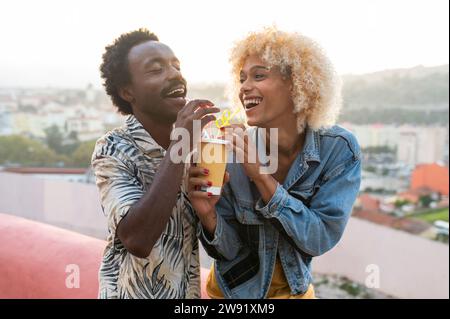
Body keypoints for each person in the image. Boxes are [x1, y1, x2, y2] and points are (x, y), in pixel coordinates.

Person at [187, 27, 362, 299]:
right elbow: (227, 252)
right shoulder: (229, 150)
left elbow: (319, 238)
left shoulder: (338, 150)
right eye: (242, 78)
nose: (244, 86)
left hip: (296, 293)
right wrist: (207, 214)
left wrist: (262, 177)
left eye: (259, 75)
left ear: (297, 83)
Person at [91, 28, 219, 299]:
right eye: (155, 70)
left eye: (176, 65)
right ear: (128, 92)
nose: (174, 74)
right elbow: (137, 239)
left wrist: (210, 217)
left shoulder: (200, 147)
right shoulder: (113, 149)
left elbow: (221, 246)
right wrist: (179, 148)